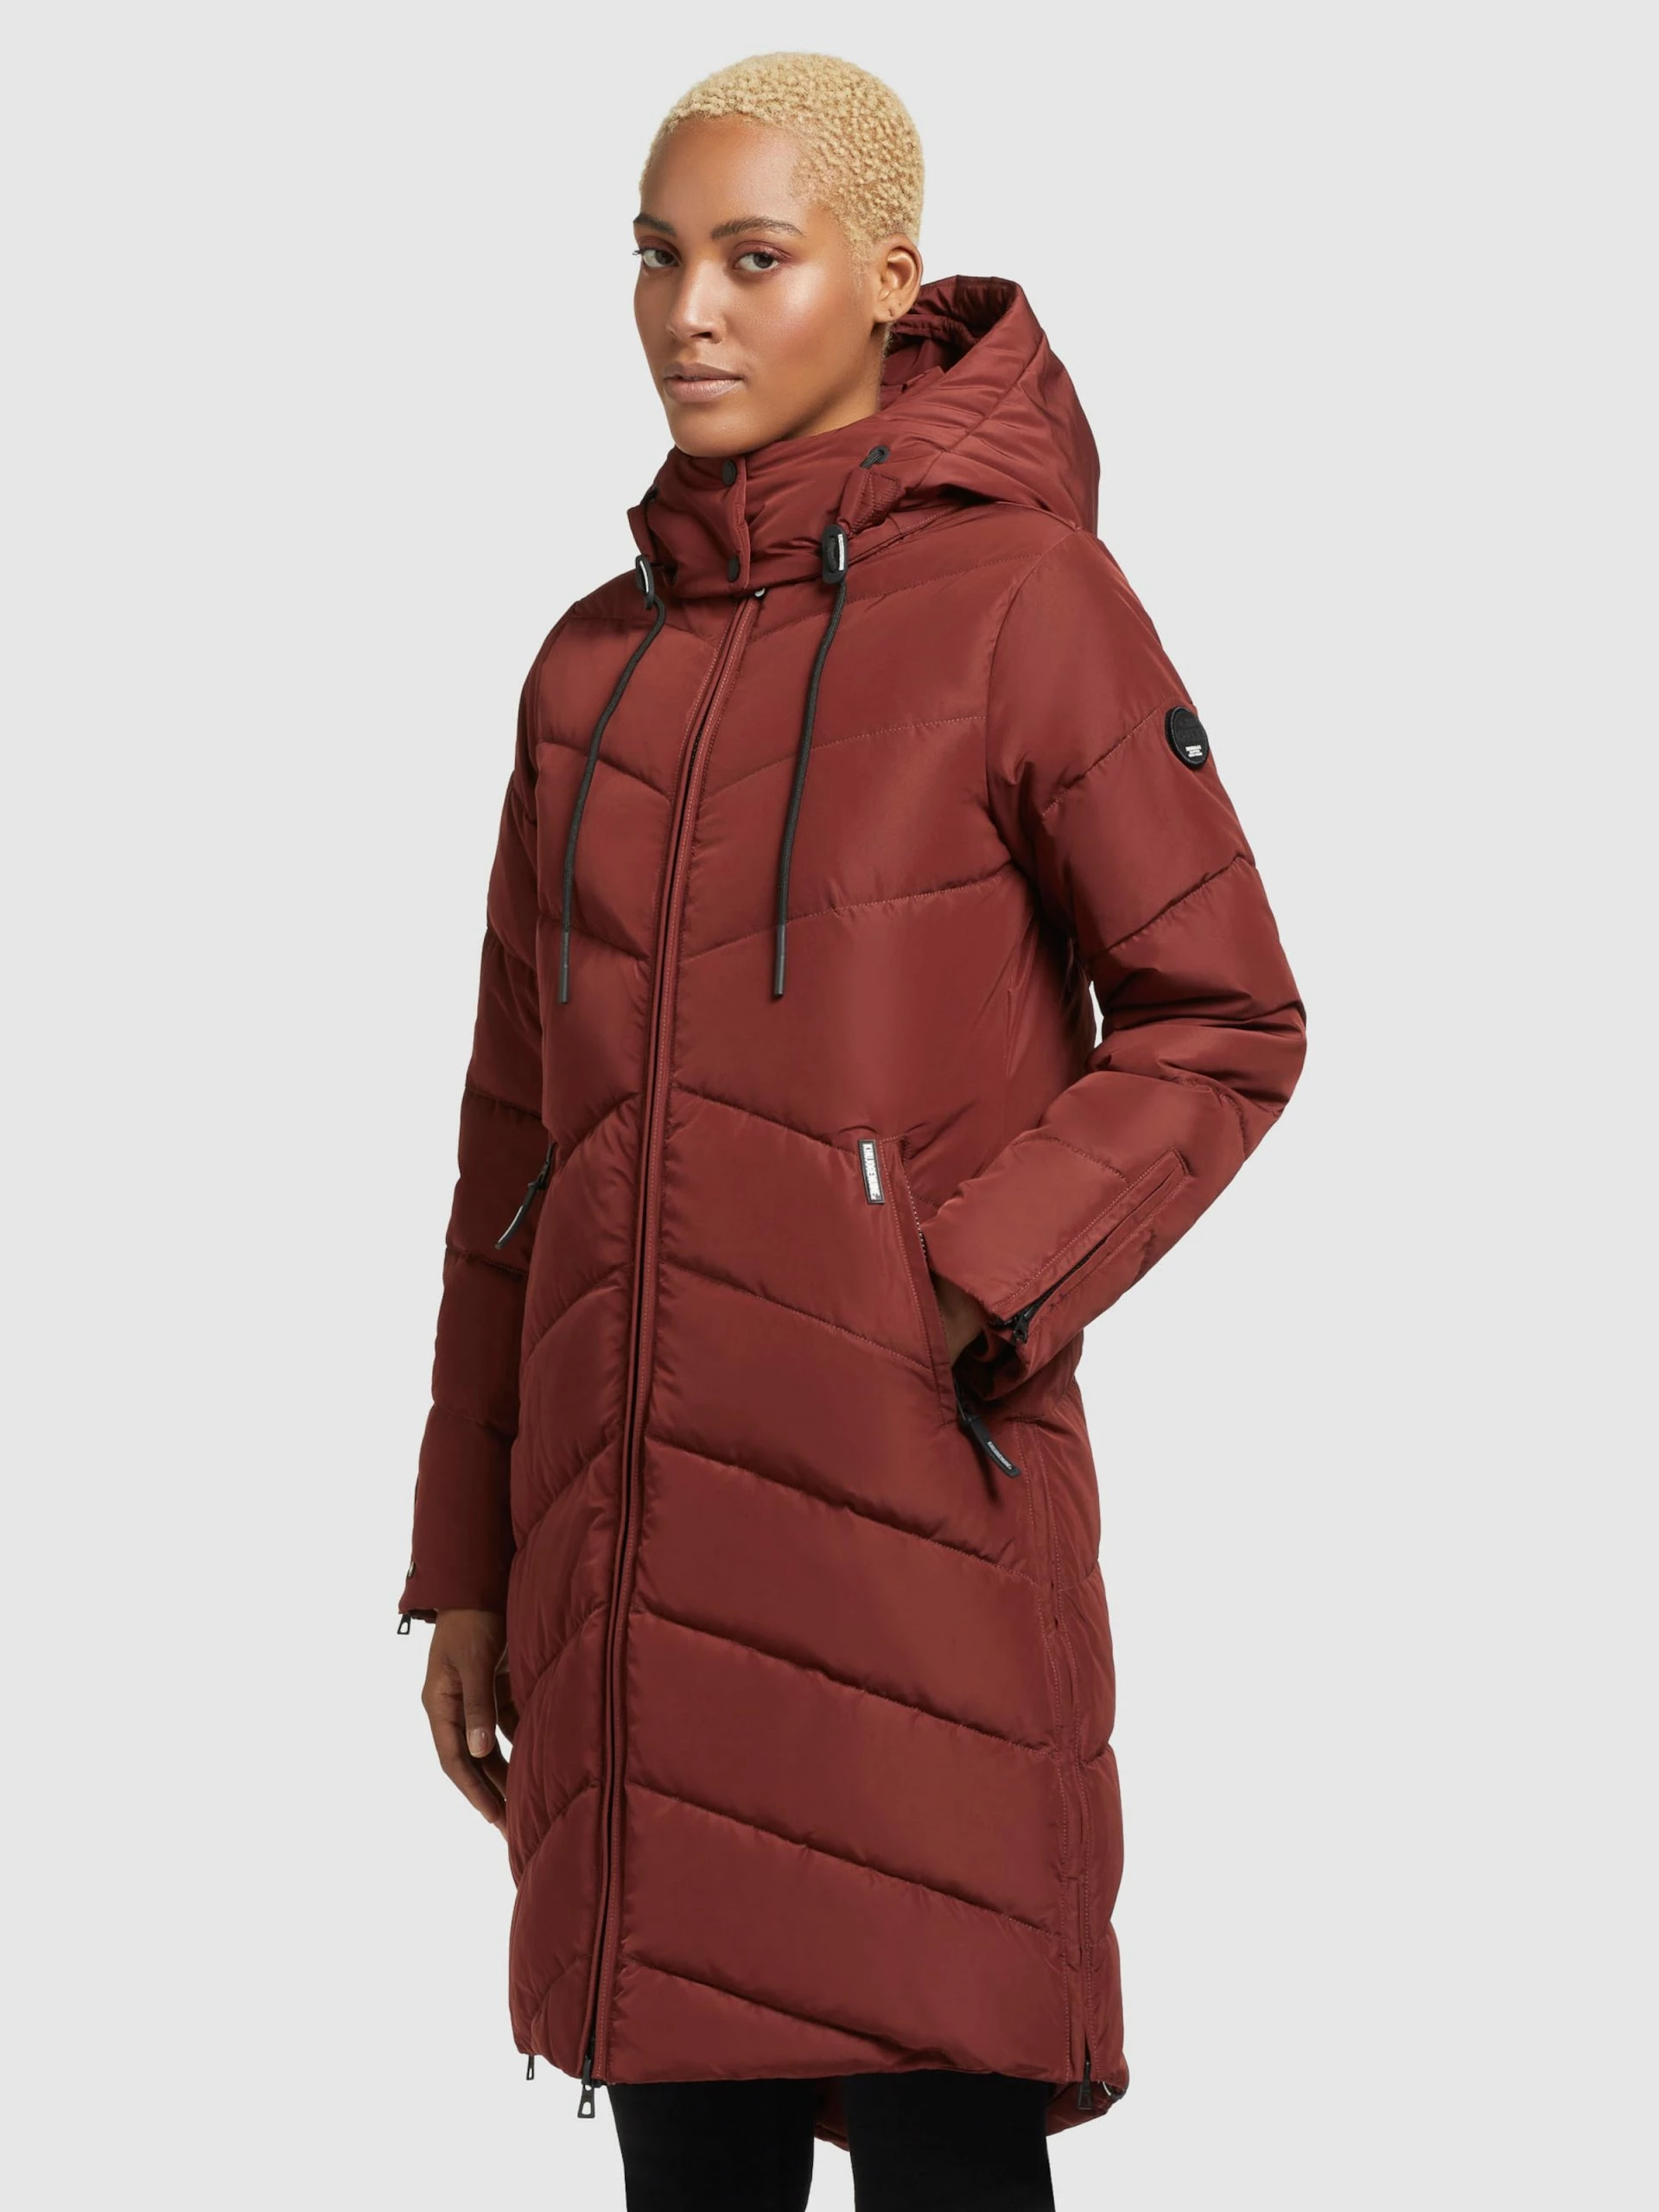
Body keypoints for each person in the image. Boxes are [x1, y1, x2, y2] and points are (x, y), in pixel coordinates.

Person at [397, 48, 1306, 2212]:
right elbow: (513, 1142)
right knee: (688, 2157)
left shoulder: (1028, 603)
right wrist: (468, 1558)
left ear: (891, 280)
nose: (689, 311)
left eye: (754, 257)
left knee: (941, 2131)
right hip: (627, 1557)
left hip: (911, 1526)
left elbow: (1226, 1013)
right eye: (657, 258)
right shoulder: (586, 671)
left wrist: (968, 1285)